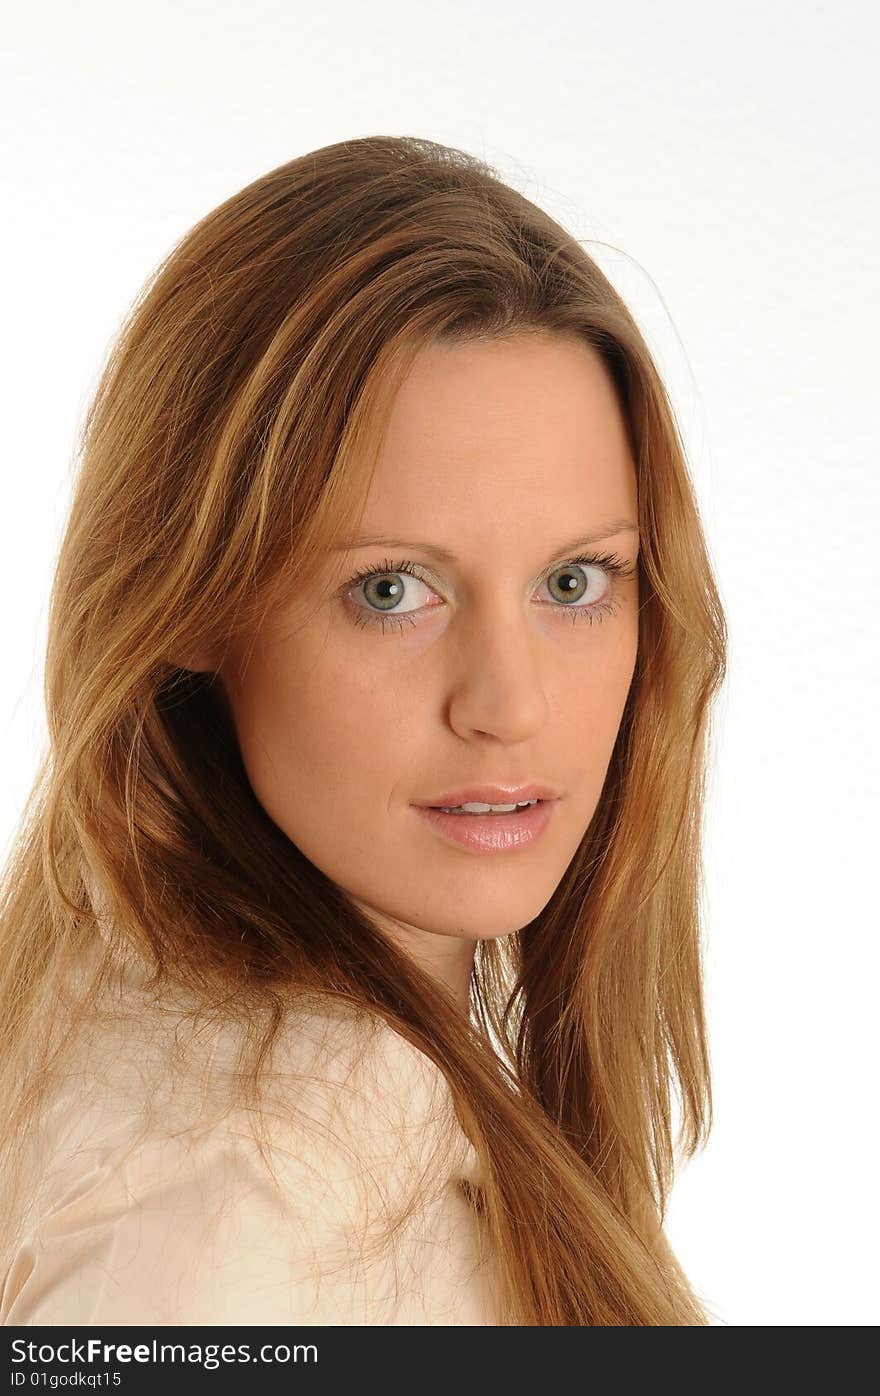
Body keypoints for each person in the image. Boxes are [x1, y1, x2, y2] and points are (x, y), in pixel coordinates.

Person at [0, 135, 727, 1326]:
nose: (509, 705)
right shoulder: (254, 1198)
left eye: (575, 581)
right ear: (191, 602)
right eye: (391, 589)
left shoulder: (286, 1095)